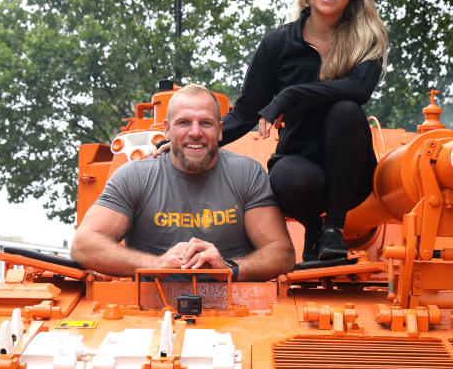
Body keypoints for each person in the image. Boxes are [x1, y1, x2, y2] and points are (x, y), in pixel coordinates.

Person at [220, 0, 388, 263]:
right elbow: (244, 113)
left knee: (346, 111)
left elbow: (358, 91)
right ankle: (314, 231)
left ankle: (333, 230)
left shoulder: (368, 39)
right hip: (299, 169)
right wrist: (192, 141)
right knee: (287, 178)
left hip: (352, 174)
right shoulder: (278, 43)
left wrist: (289, 95)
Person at [71, 84, 295, 280]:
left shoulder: (247, 174)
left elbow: (281, 254)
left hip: (237, 306)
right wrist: (156, 264)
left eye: (206, 123)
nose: (195, 132)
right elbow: (83, 245)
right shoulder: (134, 176)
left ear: (220, 130)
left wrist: (228, 268)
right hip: (149, 311)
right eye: (184, 123)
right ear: (167, 129)